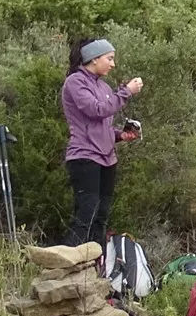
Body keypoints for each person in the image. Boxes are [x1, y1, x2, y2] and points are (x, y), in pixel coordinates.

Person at [59, 37, 142, 248]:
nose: (113, 64)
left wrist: (121, 135)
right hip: (84, 156)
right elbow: (96, 110)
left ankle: (96, 262)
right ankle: (69, 259)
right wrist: (126, 92)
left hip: (107, 158)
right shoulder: (75, 82)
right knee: (86, 213)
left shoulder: (103, 86)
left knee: (101, 216)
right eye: (109, 58)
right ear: (94, 59)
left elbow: (102, 125)